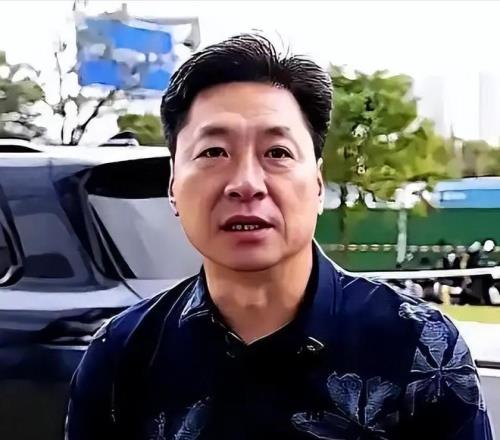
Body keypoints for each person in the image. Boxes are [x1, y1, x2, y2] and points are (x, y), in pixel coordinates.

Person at [65, 34, 494, 440]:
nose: (246, 184)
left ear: (318, 184)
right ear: (174, 185)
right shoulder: (121, 354)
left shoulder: (418, 345)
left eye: (277, 153)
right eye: (213, 152)